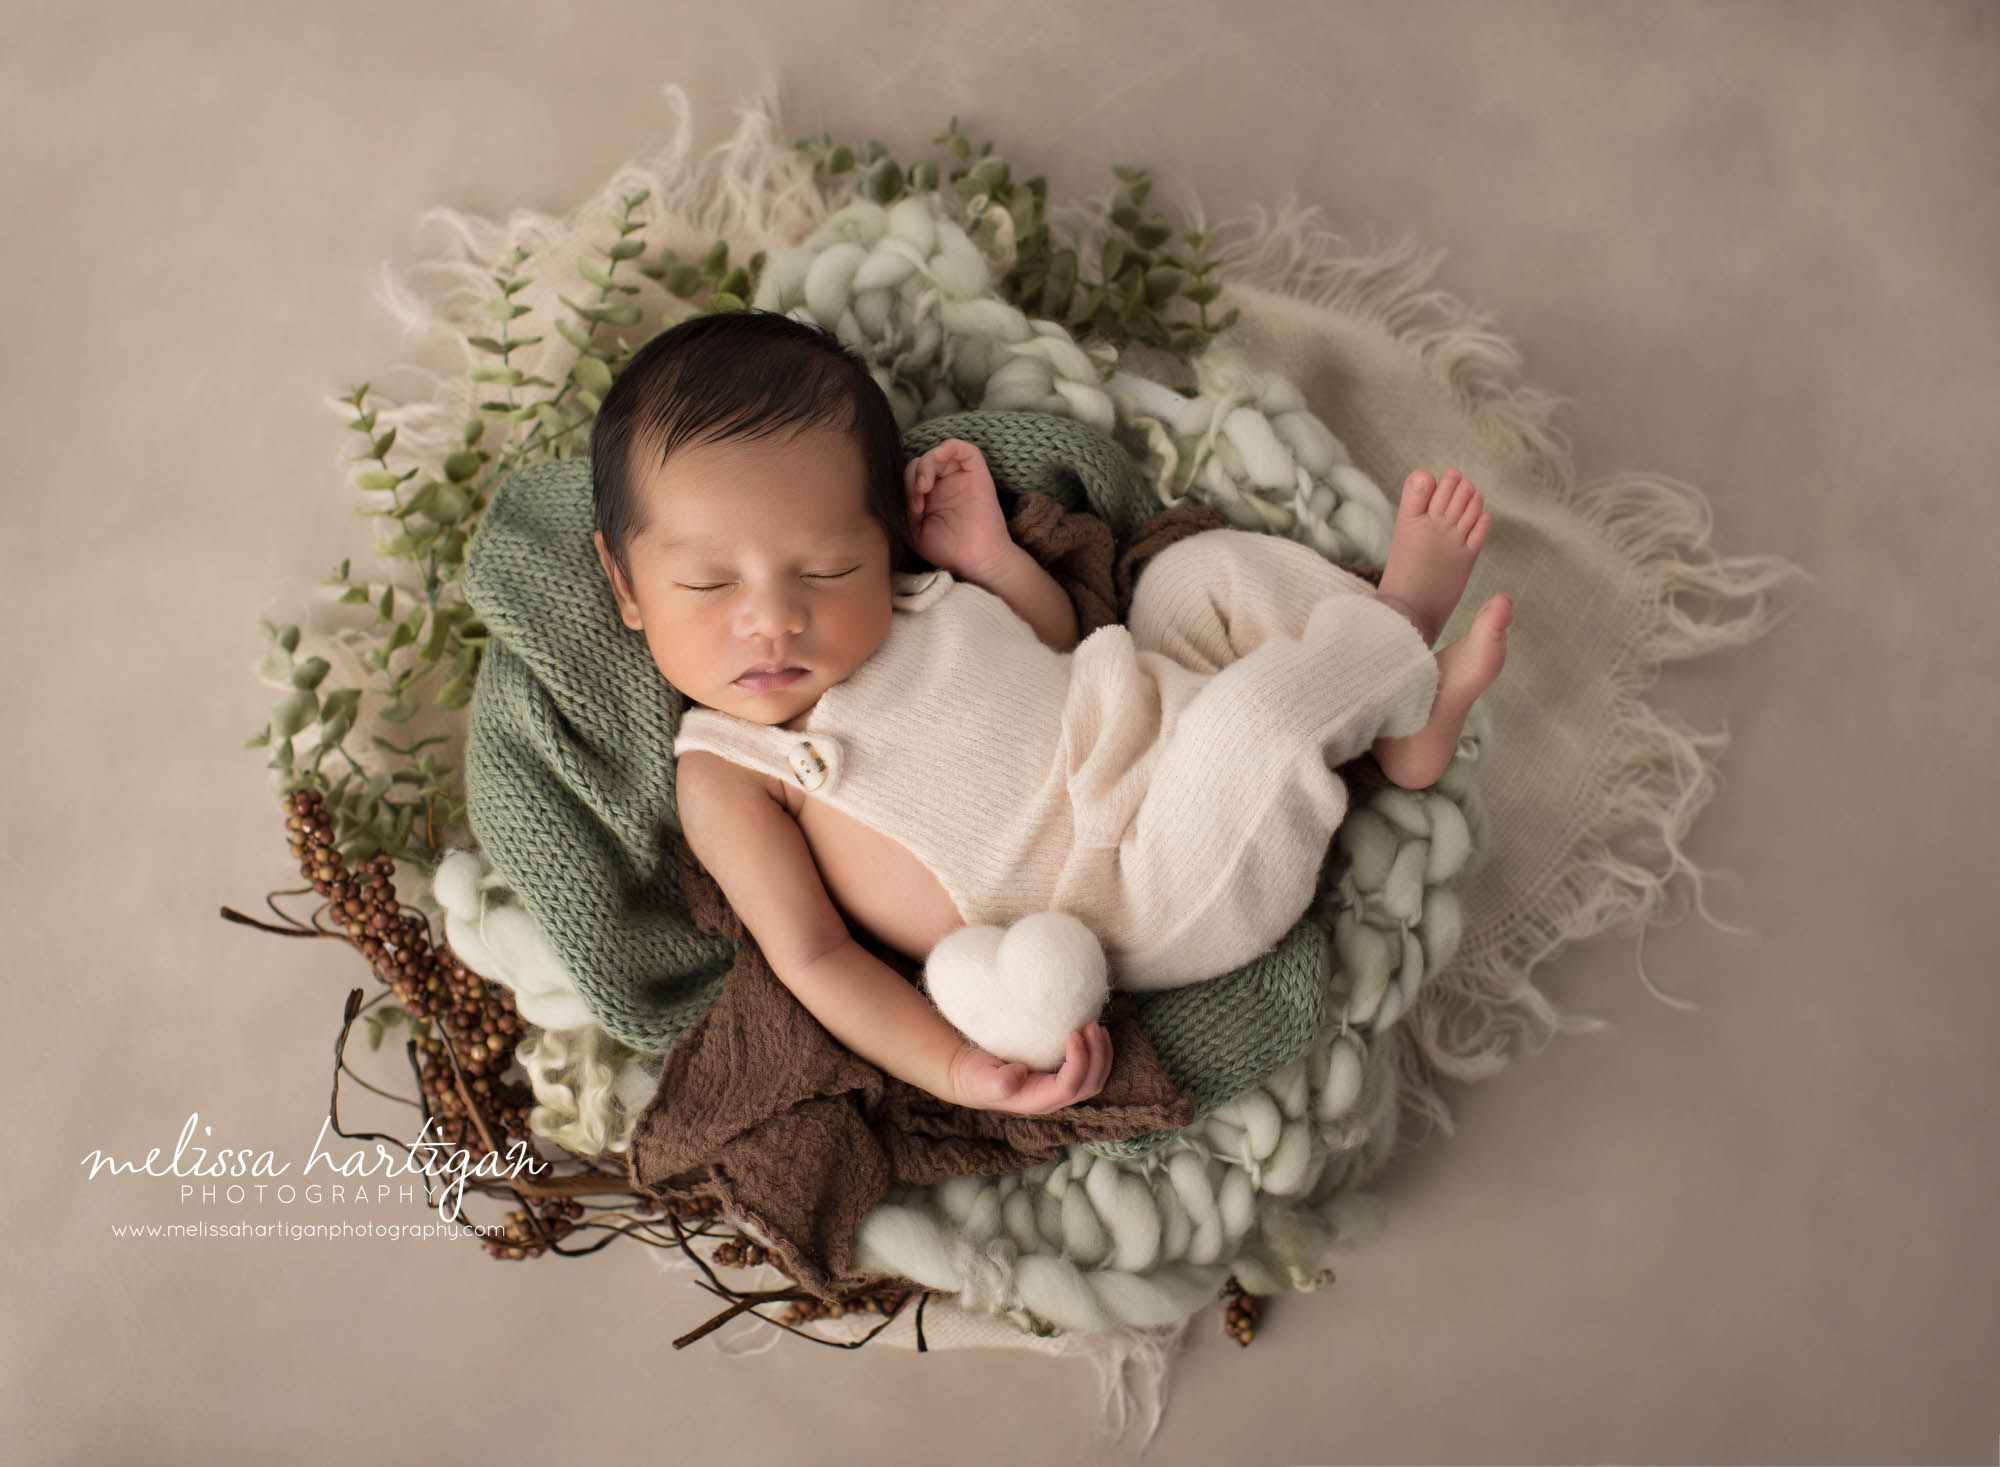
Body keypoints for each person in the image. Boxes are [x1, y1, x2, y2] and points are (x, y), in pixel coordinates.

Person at [590, 310, 1513, 1118]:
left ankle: (1392, 712)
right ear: (625, 584)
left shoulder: (912, 601)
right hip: (1138, 883)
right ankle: (1399, 630)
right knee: (1256, 724)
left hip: (1143, 703)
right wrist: (952, 1067)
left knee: (1193, 577)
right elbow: (815, 956)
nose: (773, 618)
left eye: (828, 568)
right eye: (708, 584)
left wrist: (992, 559)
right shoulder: (728, 766)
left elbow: (1058, 646)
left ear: (883, 539)